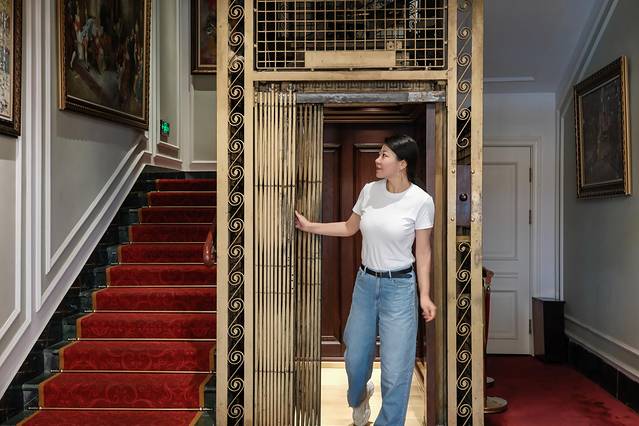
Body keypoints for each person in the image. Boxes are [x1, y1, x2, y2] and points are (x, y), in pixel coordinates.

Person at [295, 134, 437, 425]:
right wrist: (310, 226)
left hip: (400, 288)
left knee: (396, 370)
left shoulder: (421, 201)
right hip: (366, 283)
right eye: (379, 154)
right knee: (355, 358)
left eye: (384, 155)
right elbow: (350, 228)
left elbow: (423, 252)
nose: (377, 160)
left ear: (402, 164)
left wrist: (424, 294)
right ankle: (359, 397)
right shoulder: (369, 191)